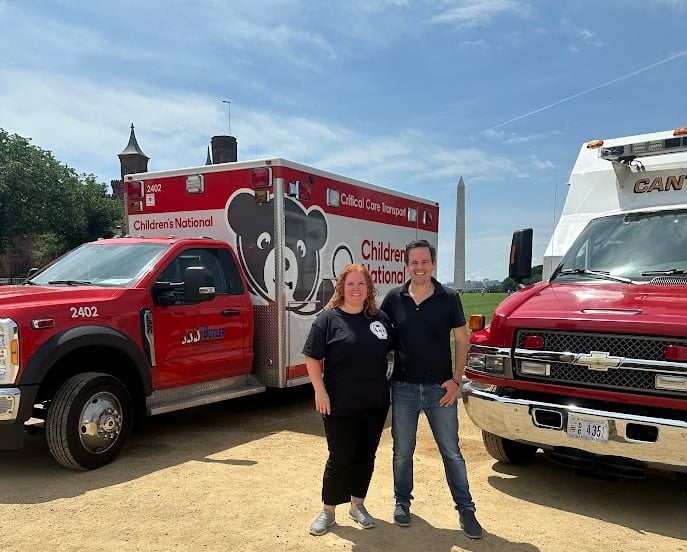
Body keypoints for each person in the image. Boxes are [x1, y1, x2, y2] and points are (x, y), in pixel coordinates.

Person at [380, 239, 483, 539]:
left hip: (442, 390)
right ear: (406, 265)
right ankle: (402, 502)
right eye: (414, 262)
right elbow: (380, 339)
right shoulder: (393, 299)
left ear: (433, 264)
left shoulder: (449, 297)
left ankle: (466, 509)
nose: (420, 267)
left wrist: (456, 380)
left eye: (425, 262)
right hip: (403, 388)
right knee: (402, 452)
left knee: (452, 452)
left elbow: (462, 341)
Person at [303, 263, 392, 537]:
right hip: (338, 403)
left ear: (369, 289)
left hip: (375, 403)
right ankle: (328, 511)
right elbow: (311, 357)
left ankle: (358, 505)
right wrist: (319, 390)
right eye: (351, 284)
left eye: (362, 284)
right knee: (340, 456)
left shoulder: (380, 319)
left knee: (366, 455)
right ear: (342, 287)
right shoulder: (328, 319)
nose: (356, 289)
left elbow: (394, 352)